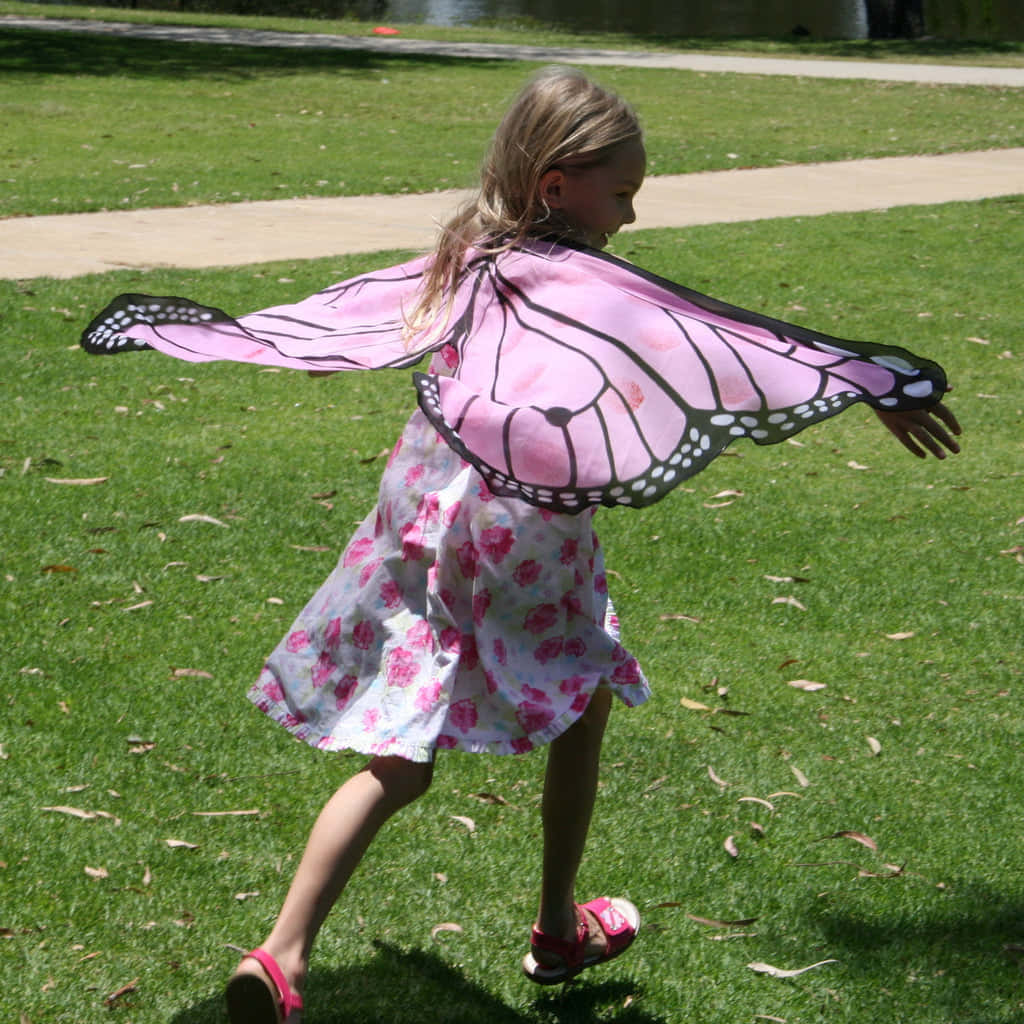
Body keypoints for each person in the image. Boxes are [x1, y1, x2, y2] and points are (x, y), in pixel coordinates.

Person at [80, 67, 961, 1024]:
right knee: (582, 697)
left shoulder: (462, 255)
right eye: (619, 192)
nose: (626, 216)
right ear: (557, 185)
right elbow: (722, 342)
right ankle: (555, 929)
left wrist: (198, 329)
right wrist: (875, 380)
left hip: (422, 517)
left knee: (400, 757)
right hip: (524, 532)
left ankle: (281, 954)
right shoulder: (587, 280)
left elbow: (334, 320)